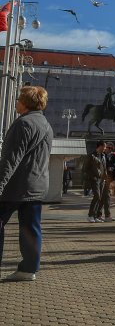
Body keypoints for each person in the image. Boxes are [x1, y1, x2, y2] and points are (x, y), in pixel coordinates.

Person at [0, 86, 53, 282]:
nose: (16, 102)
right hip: (37, 186)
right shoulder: (46, 124)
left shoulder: (23, 123)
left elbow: (10, 159)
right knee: (31, 228)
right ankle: (29, 269)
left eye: (18, 99)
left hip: (15, 187)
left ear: (25, 102)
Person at [84, 141, 107, 223]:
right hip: (95, 179)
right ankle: (90, 215)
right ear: (99, 146)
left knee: (100, 198)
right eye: (104, 146)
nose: (105, 148)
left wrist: (105, 177)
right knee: (97, 196)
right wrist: (92, 176)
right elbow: (85, 168)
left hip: (102, 180)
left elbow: (104, 168)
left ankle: (96, 215)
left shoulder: (103, 156)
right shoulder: (91, 156)